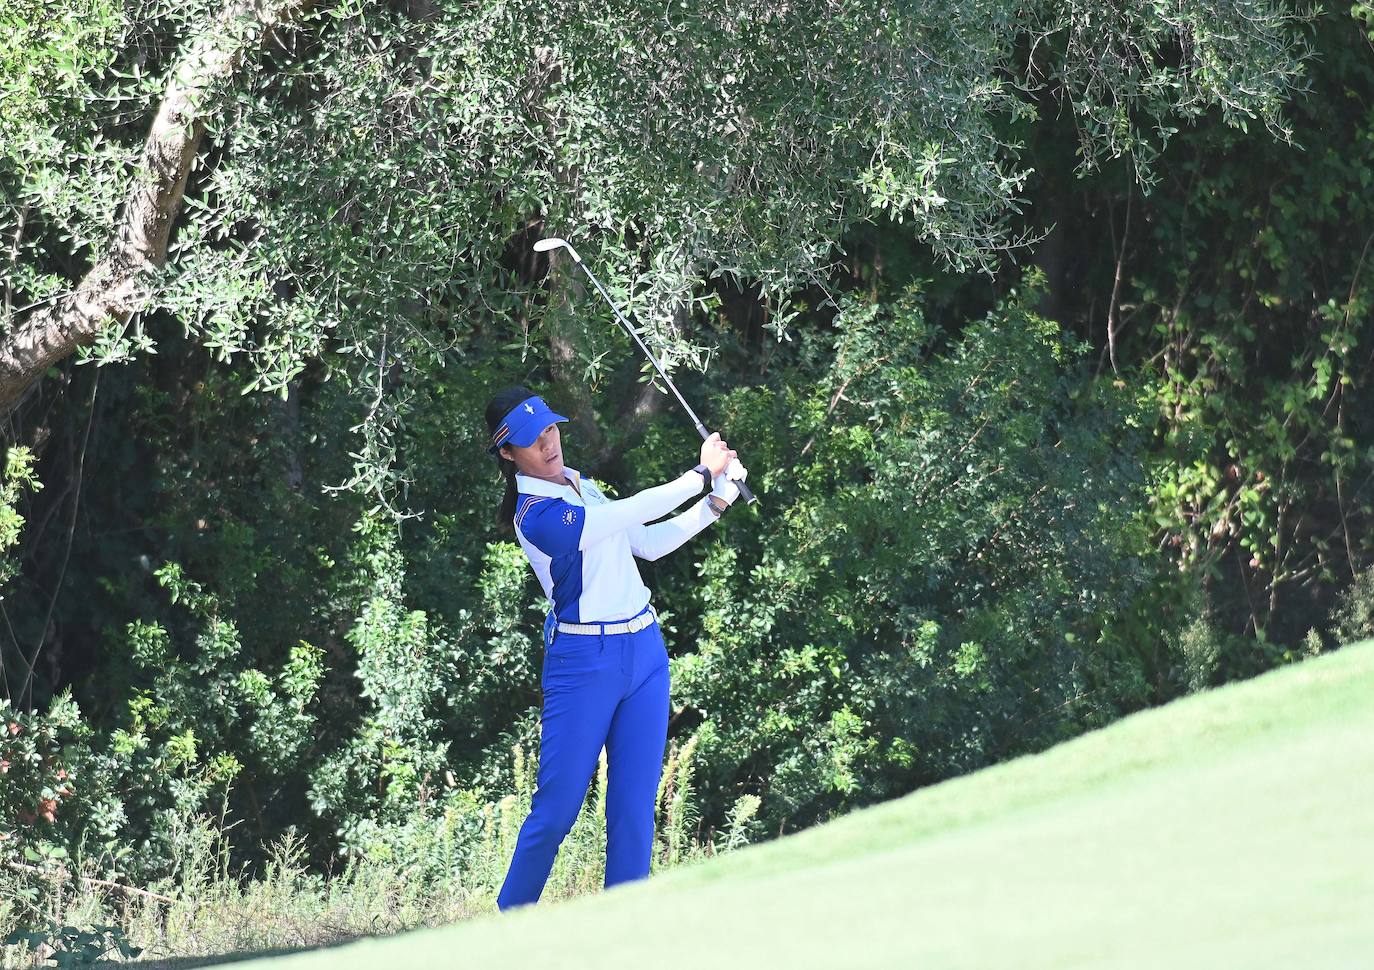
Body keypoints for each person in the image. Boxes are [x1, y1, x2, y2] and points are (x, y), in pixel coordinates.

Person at [484, 384, 747, 910]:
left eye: (551, 429)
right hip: (585, 665)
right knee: (556, 810)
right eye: (533, 438)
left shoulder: (581, 484)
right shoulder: (534, 514)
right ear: (508, 453)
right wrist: (701, 474)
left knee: (633, 808)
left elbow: (647, 543)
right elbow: (628, 514)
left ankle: (623, 930)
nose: (549, 443)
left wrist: (718, 500)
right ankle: (507, 927)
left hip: (644, 653)